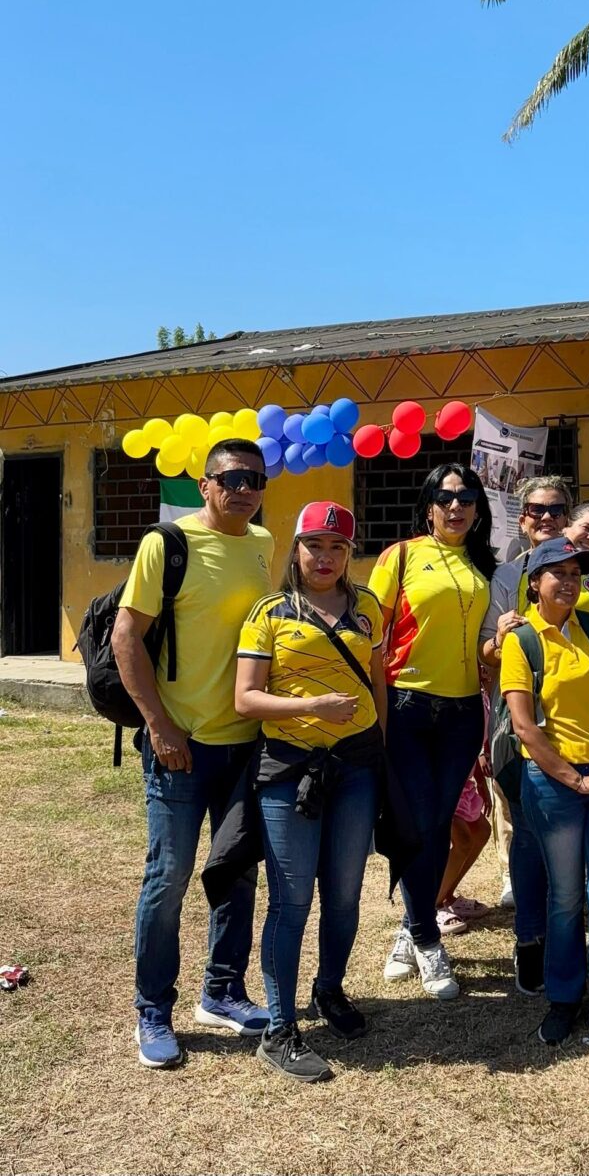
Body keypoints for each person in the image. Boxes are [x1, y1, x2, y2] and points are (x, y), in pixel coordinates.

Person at [113, 437, 276, 1067]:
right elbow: (128, 635)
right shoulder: (168, 544)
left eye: (255, 480)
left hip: (245, 746)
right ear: (205, 485)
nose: (244, 490)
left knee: (236, 873)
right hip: (180, 745)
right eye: (231, 478)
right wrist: (158, 724)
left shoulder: (263, 545)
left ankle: (223, 991)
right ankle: (153, 1009)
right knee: (170, 876)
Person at [229, 499, 385, 1082]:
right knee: (292, 898)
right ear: (296, 549)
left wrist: (381, 751)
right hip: (291, 768)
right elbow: (245, 698)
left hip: (358, 767)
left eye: (338, 547)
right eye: (315, 545)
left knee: (344, 893)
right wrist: (312, 706)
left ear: (350, 554)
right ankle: (279, 1027)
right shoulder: (269, 612)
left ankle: (329, 990)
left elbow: (376, 683)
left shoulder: (367, 608)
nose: (326, 557)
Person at [497, 536, 589, 1070]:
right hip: (553, 784)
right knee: (564, 900)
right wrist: (577, 781)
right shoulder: (521, 641)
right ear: (534, 583)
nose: (568, 580)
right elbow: (524, 728)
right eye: (554, 572)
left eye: (575, 572)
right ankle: (564, 998)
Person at [374, 463, 497, 1004]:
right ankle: (426, 938)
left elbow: (482, 643)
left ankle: (410, 928)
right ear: (428, 505)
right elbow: (372, 638)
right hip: (408, 705)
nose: (456, 506)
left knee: (440, 824)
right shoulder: (400, 556)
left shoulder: (483, 564)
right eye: (446, 497)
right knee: (419, 826)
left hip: (463, 712)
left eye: (466, 497)